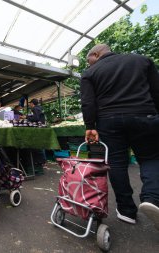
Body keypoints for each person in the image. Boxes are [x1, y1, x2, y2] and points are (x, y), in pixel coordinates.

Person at [80, 44, 159, 229]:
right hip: (144, 116)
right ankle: (152, 198)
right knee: (151, 158)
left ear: (96, 54)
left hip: (108, 121)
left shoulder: (90, 73)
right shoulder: (141, 60)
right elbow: (157, 92)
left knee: (116, 163)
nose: (89, 63)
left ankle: (126, 211)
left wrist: (90, 126)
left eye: (88, 59)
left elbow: (88, 102)